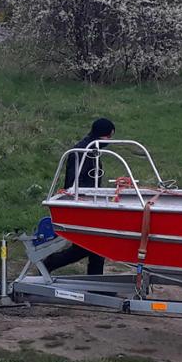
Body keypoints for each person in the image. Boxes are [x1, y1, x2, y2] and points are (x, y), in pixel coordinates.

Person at [46, 117, 114, 275]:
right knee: (91, 247)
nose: (110, 141)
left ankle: (96, 284)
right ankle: (51, 263)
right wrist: (86, 197)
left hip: (89, 204)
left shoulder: (91, 149)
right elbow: (74, 182)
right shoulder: (82, 152)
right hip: (82, 205)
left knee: (96, 248)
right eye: (109, 137)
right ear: (101, 134)